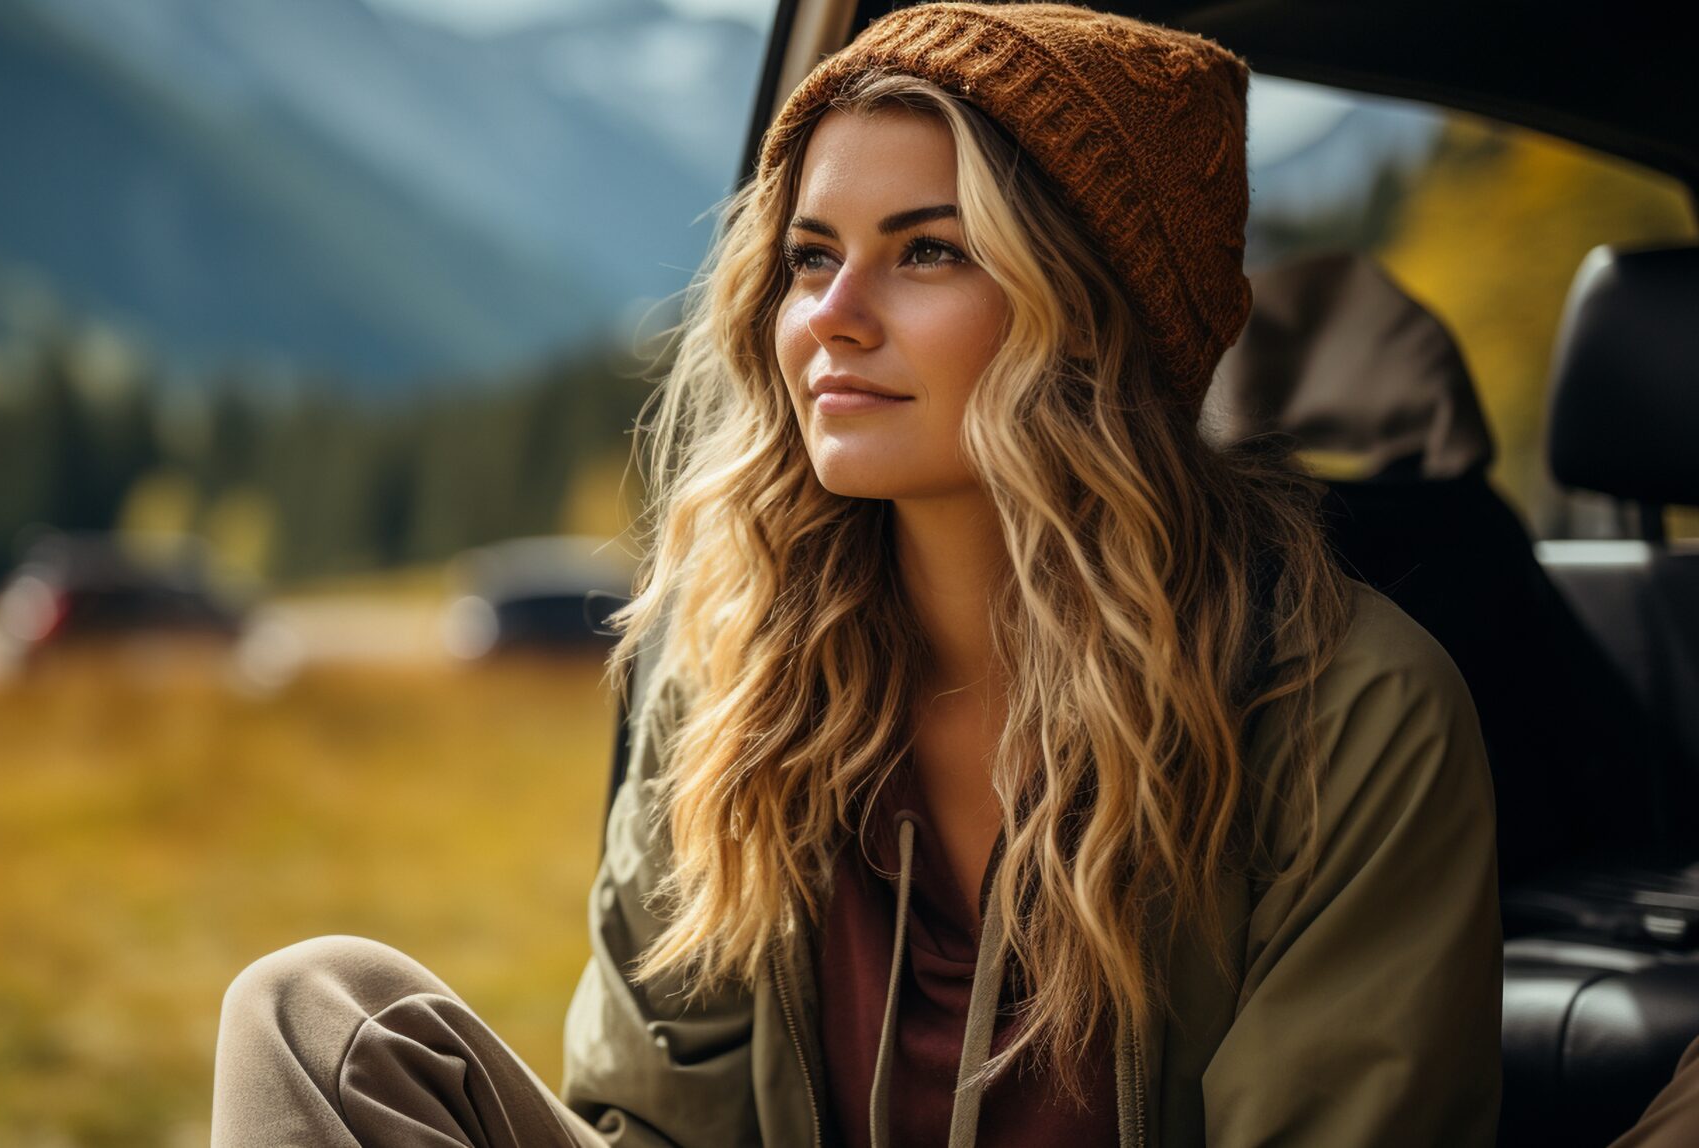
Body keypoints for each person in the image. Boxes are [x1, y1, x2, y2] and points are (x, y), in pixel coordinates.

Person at [209, 4, 1504, 1146]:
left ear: (1097, 312)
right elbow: (662, 1123)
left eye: (928, 249)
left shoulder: (1351, 719)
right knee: (315, 1017)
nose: (832, 312)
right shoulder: (734, 672)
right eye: (813, 255)